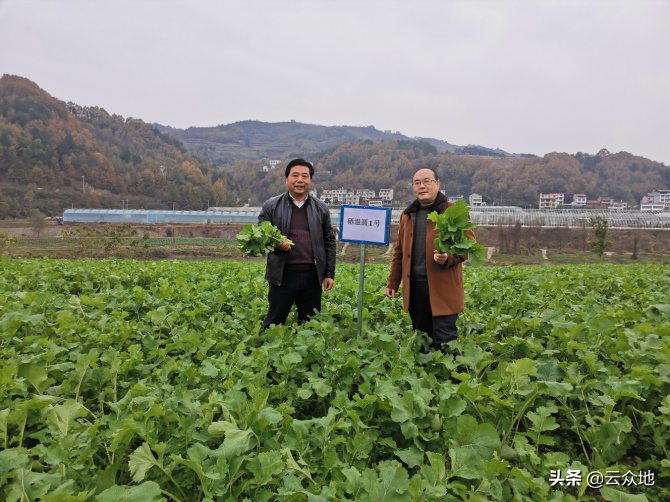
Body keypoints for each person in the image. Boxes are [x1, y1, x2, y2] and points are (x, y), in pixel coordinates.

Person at [385, 168, 475, 349]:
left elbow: (468, 246)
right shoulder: (407, 215)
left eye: (427, 181)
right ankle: (425, 374)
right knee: (422, 338)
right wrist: (392, 283)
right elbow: (399, 252)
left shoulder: (453, 211)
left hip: (443, 289)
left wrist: (448, 257)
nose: (422, 186)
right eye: (417, 183)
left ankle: (450, 377)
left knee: (445, 341)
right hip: (415, 288)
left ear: (438, 184)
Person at [259, 158, 336, 328]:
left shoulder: (321, 208)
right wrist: (276, 243)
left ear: (310, 180)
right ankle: (265, 351)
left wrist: (329, 273)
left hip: (312, 277)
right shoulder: (271, 206)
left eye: (305, 176)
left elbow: (329, 241)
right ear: (287, 179)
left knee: (309, 326)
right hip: (282, 276)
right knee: (274, 324)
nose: (300, 180)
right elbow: (261, 237)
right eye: (295, 175)